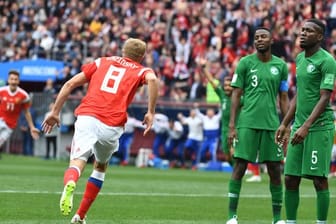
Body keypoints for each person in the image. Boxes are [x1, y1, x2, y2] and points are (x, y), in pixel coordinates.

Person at [41, 38, 159, 224]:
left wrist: (55, 111)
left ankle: (71, 182)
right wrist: (151, 112)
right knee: (100, 167)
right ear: (142, 56)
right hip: (112, 125)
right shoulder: (142, 70)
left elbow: (70, 84)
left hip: (88, 116)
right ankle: (80, 215)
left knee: (77, 162)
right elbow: (152, 80)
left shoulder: (101, 61)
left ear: (123, 50)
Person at [275, 19, 336, 224]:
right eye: (302, 30)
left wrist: (306, 126)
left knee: (319, 180)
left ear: (319, 37)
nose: (302, 33)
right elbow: (300, 95)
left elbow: (324, 97)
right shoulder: (300, 59)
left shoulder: (327, 61)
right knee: (290, 178)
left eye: (309, 31)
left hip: (318, 128)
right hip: (299, 126)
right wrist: (285, 123)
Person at [227, 27, 289, 224]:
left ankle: (277, 218)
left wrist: (286, 125)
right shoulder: (245, 63)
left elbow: (284, 97)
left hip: (271, 124)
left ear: (271, 40)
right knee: (239, 166)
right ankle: (232, 217)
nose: (259, 40)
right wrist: (232, 125)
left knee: (274, 169)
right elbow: (236, 94)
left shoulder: (280, 66)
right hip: (247, 122)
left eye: (263, 37)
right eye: (256, 37)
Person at [198, 58, 236, 164]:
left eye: (230, 86)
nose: (227, 88)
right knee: (228, 157)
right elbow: (211, 81)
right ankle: (237, 173)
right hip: (224, 130)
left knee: (234, 153)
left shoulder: (238, 98)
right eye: (226, 85)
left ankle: (240, 173)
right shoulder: (222, 95)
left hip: (236, 130)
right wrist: (204, 69)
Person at [0, 70, 40, 154]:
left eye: (15, 79)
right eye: (12, 79)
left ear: (18, 81)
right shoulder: (2, 91)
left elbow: (26, 112)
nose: (13, 81)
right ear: (8, 80)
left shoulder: (24, 95)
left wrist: (32, 127)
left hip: (9, 126)